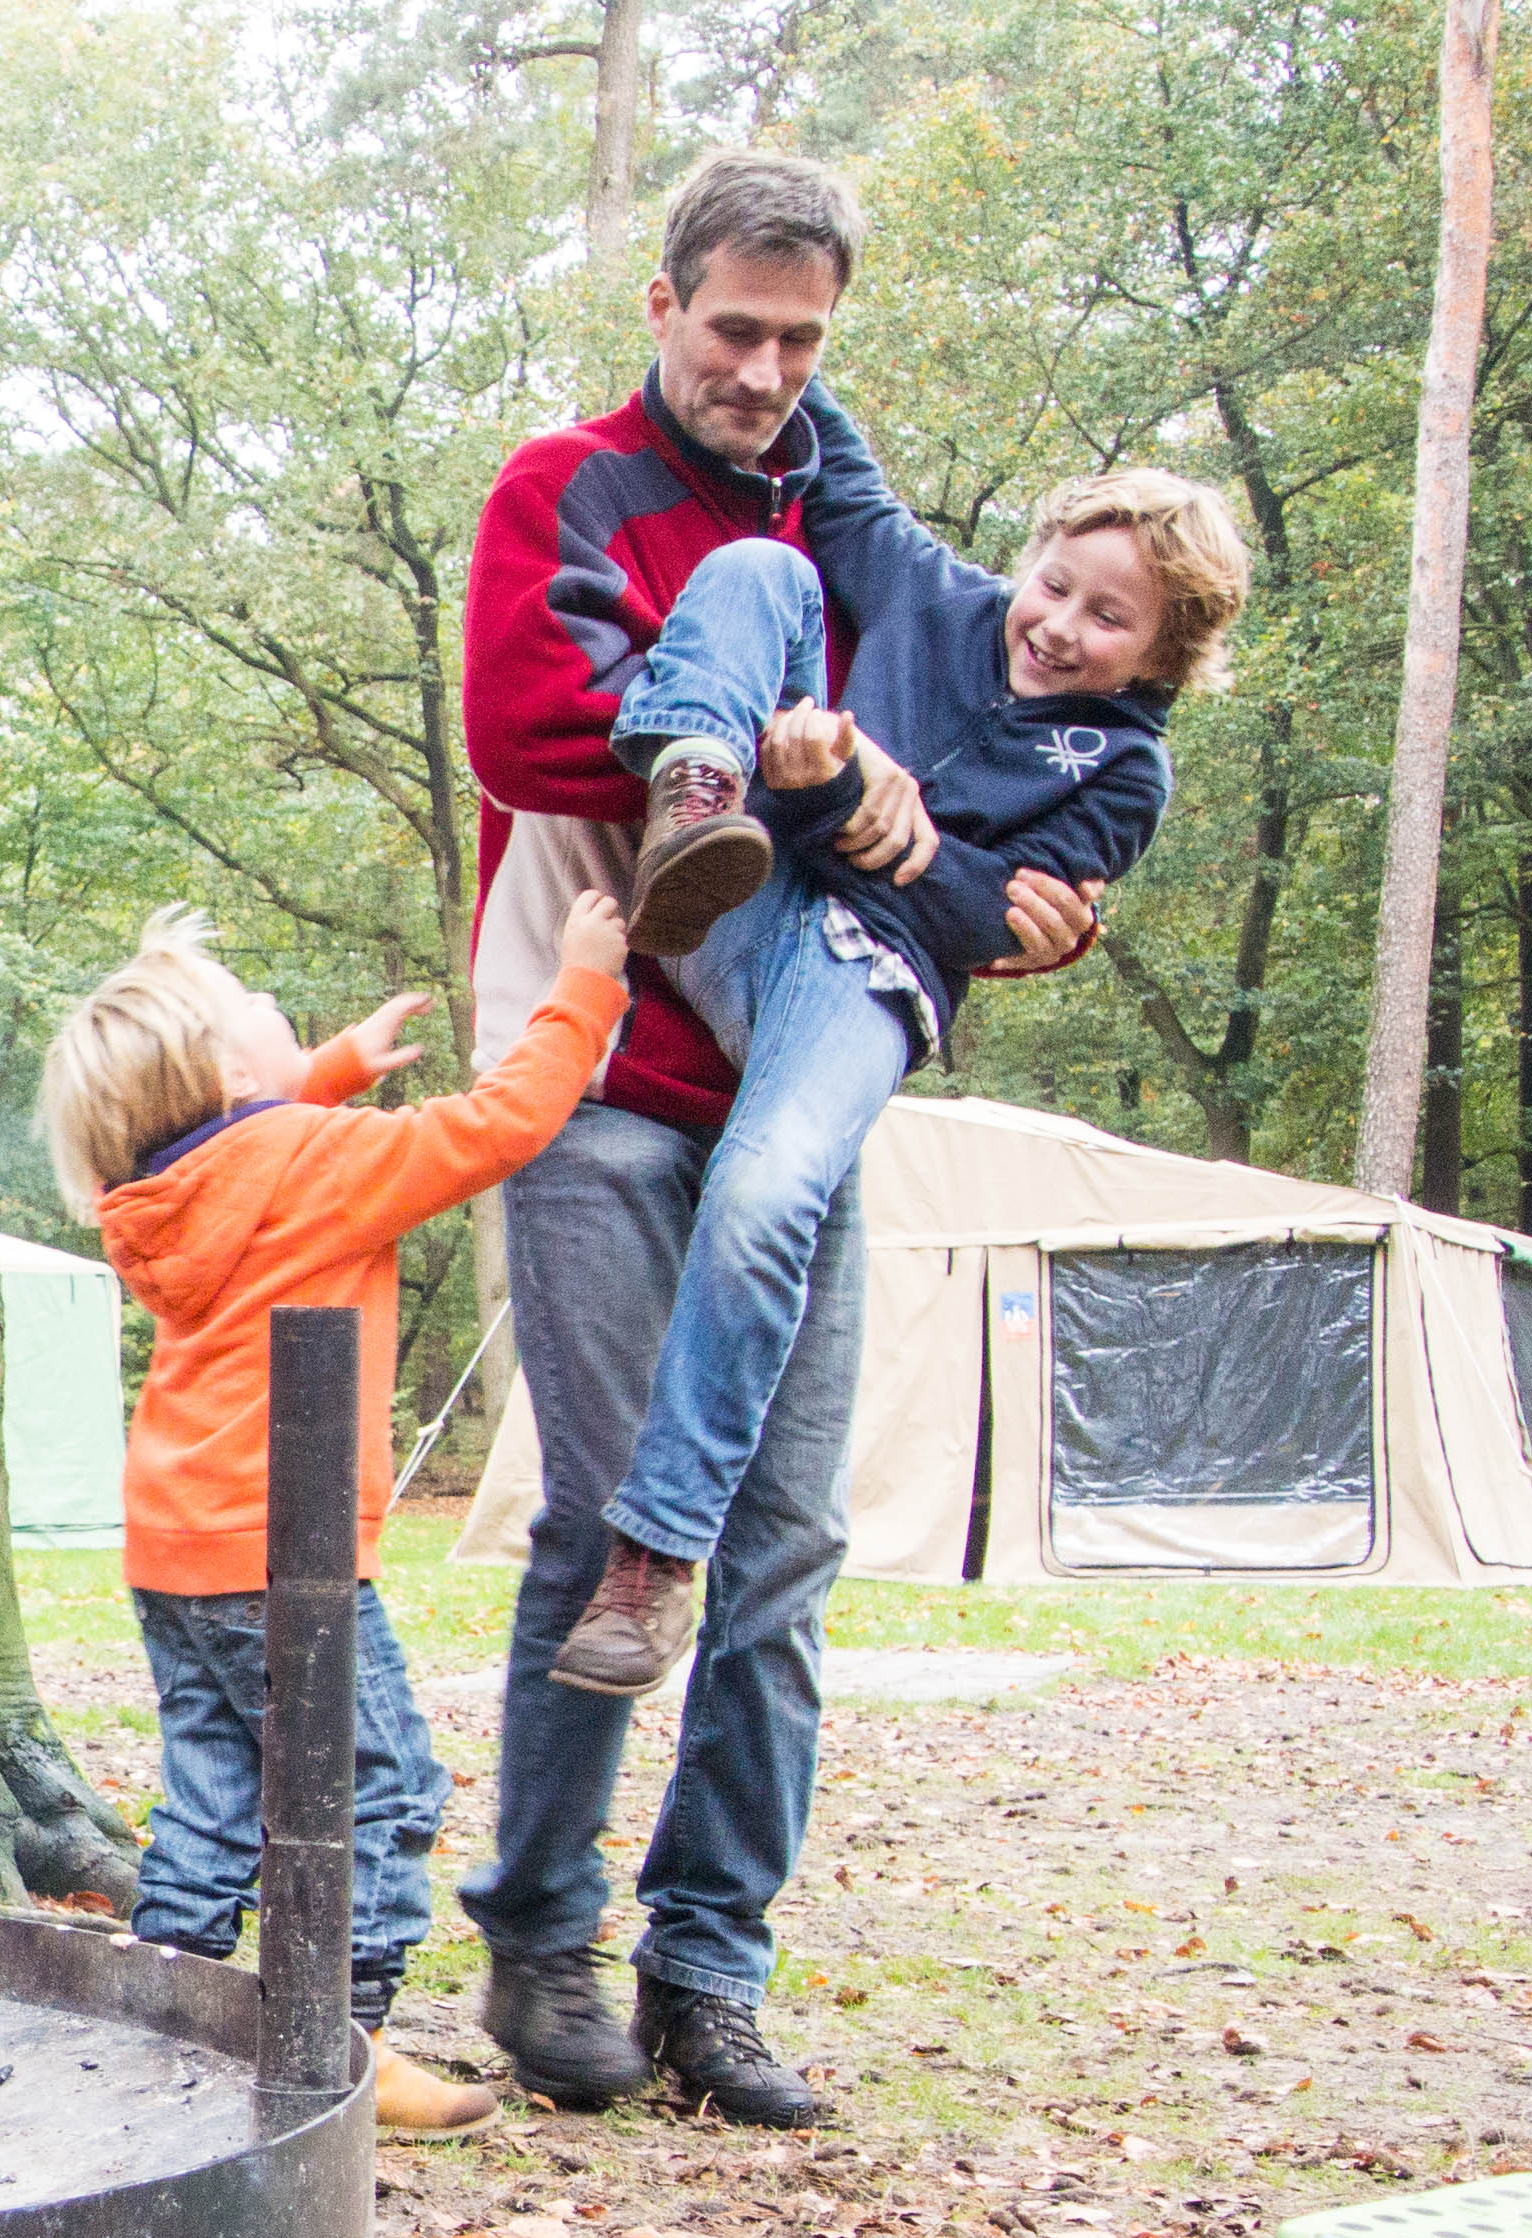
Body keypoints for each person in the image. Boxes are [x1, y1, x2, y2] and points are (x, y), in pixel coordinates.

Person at [453, 148, 1105, 2131]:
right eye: (731, 328)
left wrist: (1002, 896)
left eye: (798, 340)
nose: (759, 370)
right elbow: (527, 730)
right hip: (593, 1075)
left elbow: (985, 772)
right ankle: (540, 1937)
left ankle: (708, 1967)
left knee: (789, 1542)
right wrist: (816, 776)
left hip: (791, 1092)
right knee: (598, 1513)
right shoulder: (569, 489)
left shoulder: (849, 517)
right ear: (662, 306)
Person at [549, 419, 1250, 1692]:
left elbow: (989, 922)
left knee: (767, 1192)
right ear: (1030, 556)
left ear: (1164, 654)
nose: (1058, 626)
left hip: (863, 980)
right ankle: (692, 782)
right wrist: (759, 352)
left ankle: (653, 1556)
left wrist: (840, 797)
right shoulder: (932, 594)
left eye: (1109, 619)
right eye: (1056, 584)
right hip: (732, 888)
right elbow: (829, 443)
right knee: (765, 570)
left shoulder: (1125, 772)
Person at [46, 892, 627, 2137]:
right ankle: (337, 2038)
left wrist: (329, 1067)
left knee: (211, 1797)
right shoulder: (317, 1165)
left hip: (174, 1533)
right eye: (254, 1007)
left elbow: (242, 1146)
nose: (276, 1008)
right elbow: (497, 1125)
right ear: (226, 1073)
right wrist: (584, 988)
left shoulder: (165, 1193)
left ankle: (153, 2026)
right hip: (283, 1545)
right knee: (384, 1785)